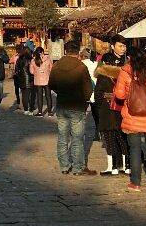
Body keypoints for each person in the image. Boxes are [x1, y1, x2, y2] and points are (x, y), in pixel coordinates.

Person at [113, 46, 146, 192]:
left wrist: (130, 96)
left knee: (134, 150)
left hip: (132, 116)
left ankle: (135, 183)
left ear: (130, 58)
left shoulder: (125, 72)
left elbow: (120, 95)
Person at [48, 40, 96, 176]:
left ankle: (64, 166)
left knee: (62, 137)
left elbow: (51, 84)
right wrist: (84, 99)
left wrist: (61, 93)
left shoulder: (57, 66)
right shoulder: (81, 67)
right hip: (77, 105)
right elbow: (88, 88)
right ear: (78, 52)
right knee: (77, 138)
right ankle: (77, 167)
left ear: (65, 51)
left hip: (62, 104)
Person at [94, 35, 130, 176]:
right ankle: (121, 166)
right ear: (113, 46)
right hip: (116, 104)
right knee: (117, 135)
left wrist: (99, 105)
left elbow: (99, 90)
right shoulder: (126, 66)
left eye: (124, 46)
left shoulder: (108, 69)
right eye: (121, 46)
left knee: (116, 135)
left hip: (114, 105)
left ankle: (117, 166)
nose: (123, 48)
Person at [80, 48, 100, 140]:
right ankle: (98, 134)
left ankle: (79, 134)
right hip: (95, 92)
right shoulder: (97, 64)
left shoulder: (80, 64)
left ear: (83, 56)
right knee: (96, 115)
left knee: (80, 116)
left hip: (83, 92)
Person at [30, 46, 53, 116]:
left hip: (38, 80)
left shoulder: (33, 60)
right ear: (43, 52)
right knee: (48, 96)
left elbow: (31, 71)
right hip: (47, 80)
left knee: (39, 97)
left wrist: (37, 73)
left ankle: (40, 112)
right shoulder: (48, 59)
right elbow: (51, 69)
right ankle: (50, 112)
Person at [15, 46, 34, 115]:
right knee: (31, 95)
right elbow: (32, 70)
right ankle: (31, 109)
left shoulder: (19, 59)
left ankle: (26, 110)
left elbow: (16, 70)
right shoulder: (31, 60)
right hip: (30, 79)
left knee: (24, 95)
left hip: (21, 79)